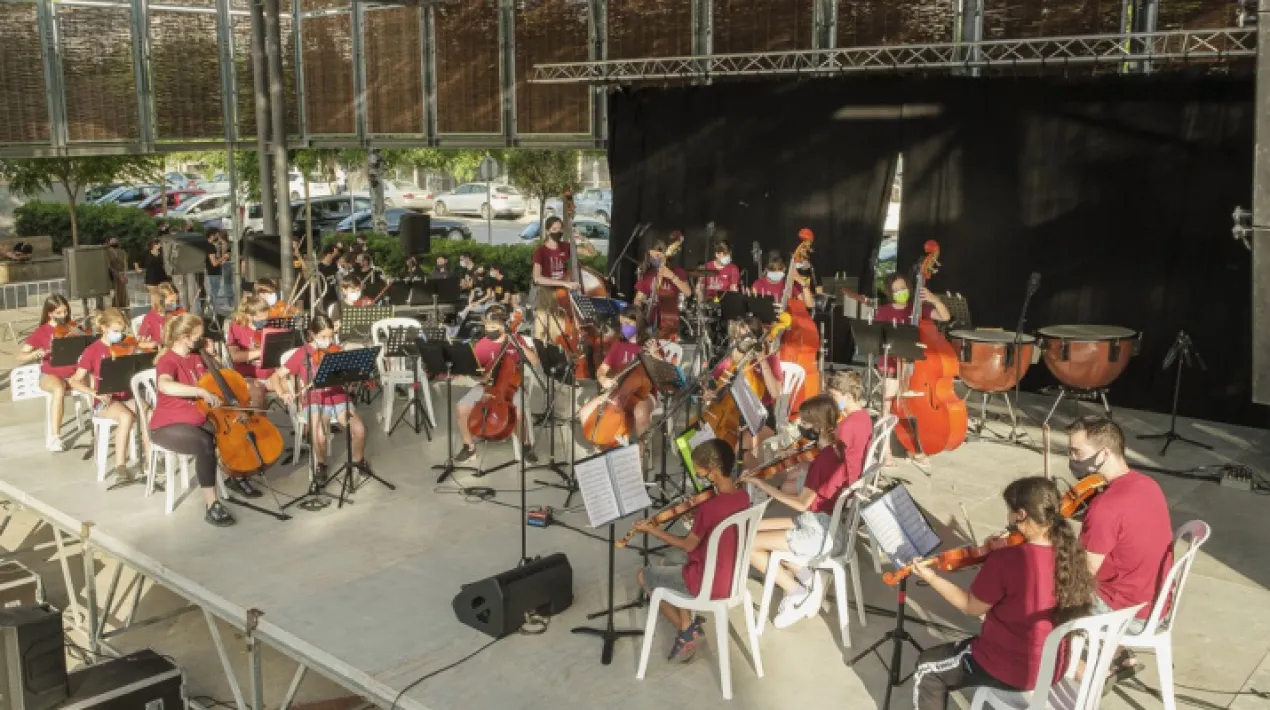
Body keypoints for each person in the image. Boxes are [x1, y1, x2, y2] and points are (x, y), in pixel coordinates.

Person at [911, 477, 1096, 710]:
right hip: (1055, 665)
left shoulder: (1007, 559)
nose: (1007, 517)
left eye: (1009, 511)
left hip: (1013, 667)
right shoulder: (1072, 553)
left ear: (1021, 515)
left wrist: (931, 578)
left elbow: (970, 607)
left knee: (927, 669)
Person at [1067, 415, 1174, 685]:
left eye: (1077, 452)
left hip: (1129, 615)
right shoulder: (1147, 484)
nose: (1072, 459)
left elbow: (1082, 575)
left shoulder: (1105, 507)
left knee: (1038, 592)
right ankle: (1119, 655)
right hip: (1156, 605)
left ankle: (1084, 671)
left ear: (1104, 453)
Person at [748, 394, 869, 629]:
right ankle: (809, 578)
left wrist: (763, 485)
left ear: (818, 426)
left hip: (819, 531)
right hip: (822, 521)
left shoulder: (825, 458)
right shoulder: (834, 450)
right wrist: (802, 465)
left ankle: (797, 592)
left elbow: (802, 504)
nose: (800, 426)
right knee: (752, 528)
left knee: (750, 545)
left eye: (804, 422)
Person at [635, 438, 751, 663]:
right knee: (670, 560)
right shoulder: (743, 496)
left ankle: (685, 630)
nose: (696, 473)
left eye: (699, 469)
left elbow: (688, 545)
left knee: (643, 576)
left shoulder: (710, 507)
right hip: (732, 577)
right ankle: (688, 622)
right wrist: (699, 519)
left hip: (707, 582)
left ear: (713, 470)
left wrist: (653, 530)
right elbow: (719, 526)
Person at [148, 313, 236, 527]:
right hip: (168, 425)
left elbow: (222, 375)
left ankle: (238, 475)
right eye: (198, 336)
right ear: (184, 337)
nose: (201, 339)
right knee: (204, 443)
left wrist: (212, 355)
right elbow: (164, 385)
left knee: (228, 433)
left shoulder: (197, 356)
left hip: (197, 417)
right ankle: (212, 504)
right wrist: (199, 391)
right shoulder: (168, 360)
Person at [271, 314, 373, 484]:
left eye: (331, 336)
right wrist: (282, 393)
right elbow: (276, 376)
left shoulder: (336, 350)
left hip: (339, 398)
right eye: (323, 337)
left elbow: (348, 376)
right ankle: (321, 464)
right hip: (315, 399)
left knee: (359, 429)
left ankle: (358, 460)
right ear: (313, 335)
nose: (328, 341)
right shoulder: (303, 353)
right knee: (319, 435)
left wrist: (354, 379)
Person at [873, 271, 951, 468]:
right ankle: (886, 451)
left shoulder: (918, 308)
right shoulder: (884, 311)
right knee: (887, 406)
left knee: (914, 410)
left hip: (916, 368)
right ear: (890, 292)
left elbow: (945, 316)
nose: (901, 292)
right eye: (896, 289)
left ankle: (915, 448)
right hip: (892, 365)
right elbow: (878, 339)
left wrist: (934, 300)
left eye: (903, 288)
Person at [67, 308, 145, 482]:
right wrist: (94, 393)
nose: (120, 335)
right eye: (116, 331)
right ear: (104, 328)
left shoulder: (126, 345)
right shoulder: (92, 351)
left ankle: (150, 460)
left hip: (126, 395)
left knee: (147, 412)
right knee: (125, 417)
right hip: (105, 400)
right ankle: (120, 466)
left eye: (122, 331)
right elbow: (74, 381)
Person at [454, 307, 538, 464]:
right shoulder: (482, 344)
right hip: (487, 386)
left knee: (518, 410)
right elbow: (475, 372)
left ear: (503, 325)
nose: (489, 329)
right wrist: (480, 378)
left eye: (493, 326)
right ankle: (469, 447)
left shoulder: (516, 339)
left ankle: (525, 446)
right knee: (461, 407)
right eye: (487, 326)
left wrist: (517, 344)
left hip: (512, 387)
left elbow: (534, 362)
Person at [577, 307, 664, 444]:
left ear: (639, 323)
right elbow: (602, 369)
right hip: (619, 390)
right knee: (584, 412)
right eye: (622, 323)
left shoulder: (651, 344)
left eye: (628, 324)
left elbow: (663, 373)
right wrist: (602, 378)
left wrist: (656, 356)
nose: (624, 327)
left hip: (645, 393)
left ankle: (641, 451)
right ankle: (608, 442)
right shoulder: (618, 345)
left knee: (640, 412)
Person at [708, 317, 783, 469]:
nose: (740, 342)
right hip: (731, 416)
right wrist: (708, 393)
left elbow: (775, 393)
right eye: (738, 337)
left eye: (745, 337)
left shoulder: (770, 360)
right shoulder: (730, 360)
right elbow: (712, 384)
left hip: (759, 419)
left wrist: (762, 360)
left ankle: (752, 479)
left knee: (739, 449)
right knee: (703, 437)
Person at [18, 295, 83, 451]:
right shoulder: (42, 331)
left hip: (73, 374)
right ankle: (55, 437)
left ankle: (100, 425)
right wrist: (36, 353)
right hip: (50, 374)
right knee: (59, 388)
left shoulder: (72, 327)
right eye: (59, 313)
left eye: (65, 311)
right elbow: (20, 356)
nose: (64, 316)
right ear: (50, 313)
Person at [531, 216, 597, 340]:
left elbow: (592, 253)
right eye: (554, 229)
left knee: (559, 332)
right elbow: (537, 278)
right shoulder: (540, 252)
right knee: (541, 331)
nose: (558, 232)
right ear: (547, 231)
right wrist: (564, 283)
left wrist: (583, 239)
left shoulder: (566, 247)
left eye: (560, 229)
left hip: (563, 293)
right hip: (547, 292)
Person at [633, 239, 690, 340]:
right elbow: (638, 298)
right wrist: (638, 312)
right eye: (653, 256)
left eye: (658, 255)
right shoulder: (647, 274)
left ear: (666, 255)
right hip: (650, 321)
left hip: (669, 320)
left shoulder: (678, 272)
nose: (655, 258)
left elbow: (688, 292)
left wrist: (672, 276)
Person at [750, 251, 814, 311]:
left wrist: (802, 282)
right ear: (766, 270)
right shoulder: (758, 284)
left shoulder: (789, 283)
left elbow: (810, 304)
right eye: (773, 270)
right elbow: (754, 308)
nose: (776, 273)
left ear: (784, 269)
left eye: (780, 269)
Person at [137, 283, 182, 350]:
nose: (175, 305)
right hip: (160, 350)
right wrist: (151, 344)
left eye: (177, 301)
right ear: (161, 301)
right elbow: (140, 342)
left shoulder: (179, 314)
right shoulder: (150, 317)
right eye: (171, 301)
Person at [137, 239, 168, 312]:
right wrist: (138, 269)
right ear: (154, 245)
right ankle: (154, 311)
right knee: (154, 295)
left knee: (161, 295)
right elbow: (138, 262)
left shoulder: (162, 253)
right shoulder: (146, 254)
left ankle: (160, 311)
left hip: (161, 277)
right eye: (158, 244)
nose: (160, 245)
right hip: (151, 277)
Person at [205, 229, 230, 313]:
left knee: (213, 290)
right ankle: (211, 308)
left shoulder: (208, 245)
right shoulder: (210, 247)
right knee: (214, 291)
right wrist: (224, 257)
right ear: (211, 235)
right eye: (216, 235)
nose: (217, 237)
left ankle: (211, 307)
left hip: (211, 271)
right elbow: (214, 263)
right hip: (214, 272)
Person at [105, 238, 130, 308]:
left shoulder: (122, 252)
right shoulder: (107, 252)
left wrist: (124, 273)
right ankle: (117, 304)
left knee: (122, 290)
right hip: (114, 274)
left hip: (120, 273)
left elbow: (125, 263)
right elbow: (108, 265)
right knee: (117, 290)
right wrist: (118, 273)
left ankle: (122, 304)